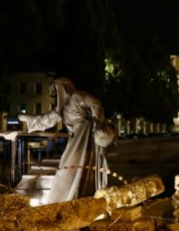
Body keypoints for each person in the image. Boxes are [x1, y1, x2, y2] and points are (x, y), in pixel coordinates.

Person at [18, 77, 112, 205]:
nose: (55, 97)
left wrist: (97, 124)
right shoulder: (61, 110)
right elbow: (45, 120)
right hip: (75, 141)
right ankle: (67, 199)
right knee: (67, 168)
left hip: (86, 138)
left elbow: (95, 104)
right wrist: (26, 118)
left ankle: (80, 198)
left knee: (78, 168)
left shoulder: (77, 97)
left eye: (56, 92)